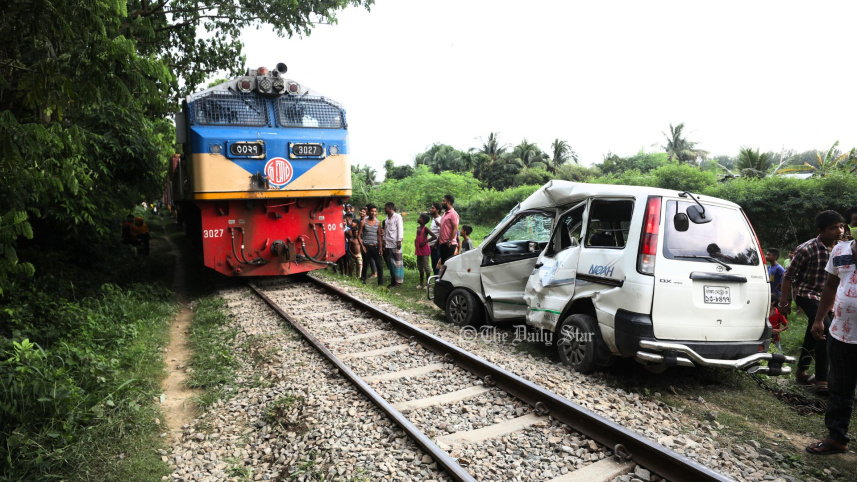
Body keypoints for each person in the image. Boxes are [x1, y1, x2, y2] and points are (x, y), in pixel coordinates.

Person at [805, 205, 857, 456]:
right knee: (839, 388)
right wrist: (819, 319)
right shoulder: (840, 250)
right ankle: (837, 437)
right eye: (855, 222)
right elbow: (830, 286)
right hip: (841, 334)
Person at [780, 210, 846, 393]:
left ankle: (801, 372)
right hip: (807, 293)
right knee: (825, 330)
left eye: (841, 226)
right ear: (820, 230)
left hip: (828, 297)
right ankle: (822, 379)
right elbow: (788, 276)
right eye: (833, 228)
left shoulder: (843, 248)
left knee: (814, 331)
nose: (839, 231)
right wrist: (784, 301)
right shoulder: (806, 249)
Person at [358, 204, 384, 286]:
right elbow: (358, 235)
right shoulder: (363, 222)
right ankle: (363, 281)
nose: (373, 213)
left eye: (375, 211)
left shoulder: (378, 222)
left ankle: (380, 284)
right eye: (372, 211)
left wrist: (380, 247)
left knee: (379, 266)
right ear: (368, 212)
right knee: (365, 265)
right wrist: (362, 246)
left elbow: (379, 235)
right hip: (366, 247)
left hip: (375, 247)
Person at [382, 202, 404, 288]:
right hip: (388, 243)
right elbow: (385, 231)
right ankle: (393, 280)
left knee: (397, 262)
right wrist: (384, 240)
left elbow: (400, 229)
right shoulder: (387, 218)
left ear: (390, 208)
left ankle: (398, 281)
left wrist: (399, 241)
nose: (385, 210)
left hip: (395, 243)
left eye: (386, 208)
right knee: (391, 263)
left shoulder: (397, 217)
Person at [415, 213, 437, 289]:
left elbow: (434, 236)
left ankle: (428, 284)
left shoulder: (426, 228)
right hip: (418, 250)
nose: (419, 218)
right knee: (420, 266)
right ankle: (421, 283)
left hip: (424, 250)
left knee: (426, 267)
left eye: (420, 218)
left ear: (424, 221)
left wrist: (425, 242)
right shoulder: (418, 228)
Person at [437, 194, 460, 267]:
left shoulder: (453, 214)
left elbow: (455, 228)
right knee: (443, 265)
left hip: (449, 244)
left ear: (449, 202)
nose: (442, 202)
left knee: (448, 266)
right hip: (443, 244)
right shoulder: (445, 213)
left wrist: (449, 240)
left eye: (444, 201)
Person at [429, 202, 442, 275]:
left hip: (436, 245)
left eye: (432, 208)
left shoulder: (439, 220)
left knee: (437, 264)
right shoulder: (434, 219)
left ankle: (437, 278)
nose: (430, 209)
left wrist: (436, 245)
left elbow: (441, 234)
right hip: (432, 245)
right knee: (434, 263)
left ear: (437, 210)